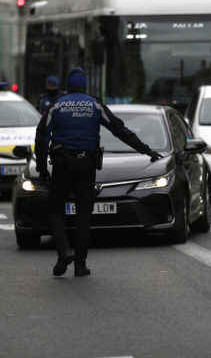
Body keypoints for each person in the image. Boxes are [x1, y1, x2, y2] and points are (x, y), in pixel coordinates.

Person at [36, 67, 162, 277]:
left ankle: (63, 252)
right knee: (84, 212)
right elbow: (120, 130)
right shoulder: (95, 105)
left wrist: (42, 168)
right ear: (85, 86)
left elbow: (42, 138)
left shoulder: (56, 106)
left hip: (62, 164)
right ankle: (80, 265)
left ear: (67, 86)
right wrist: (147, 150)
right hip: (86, 164)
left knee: (55, 209)